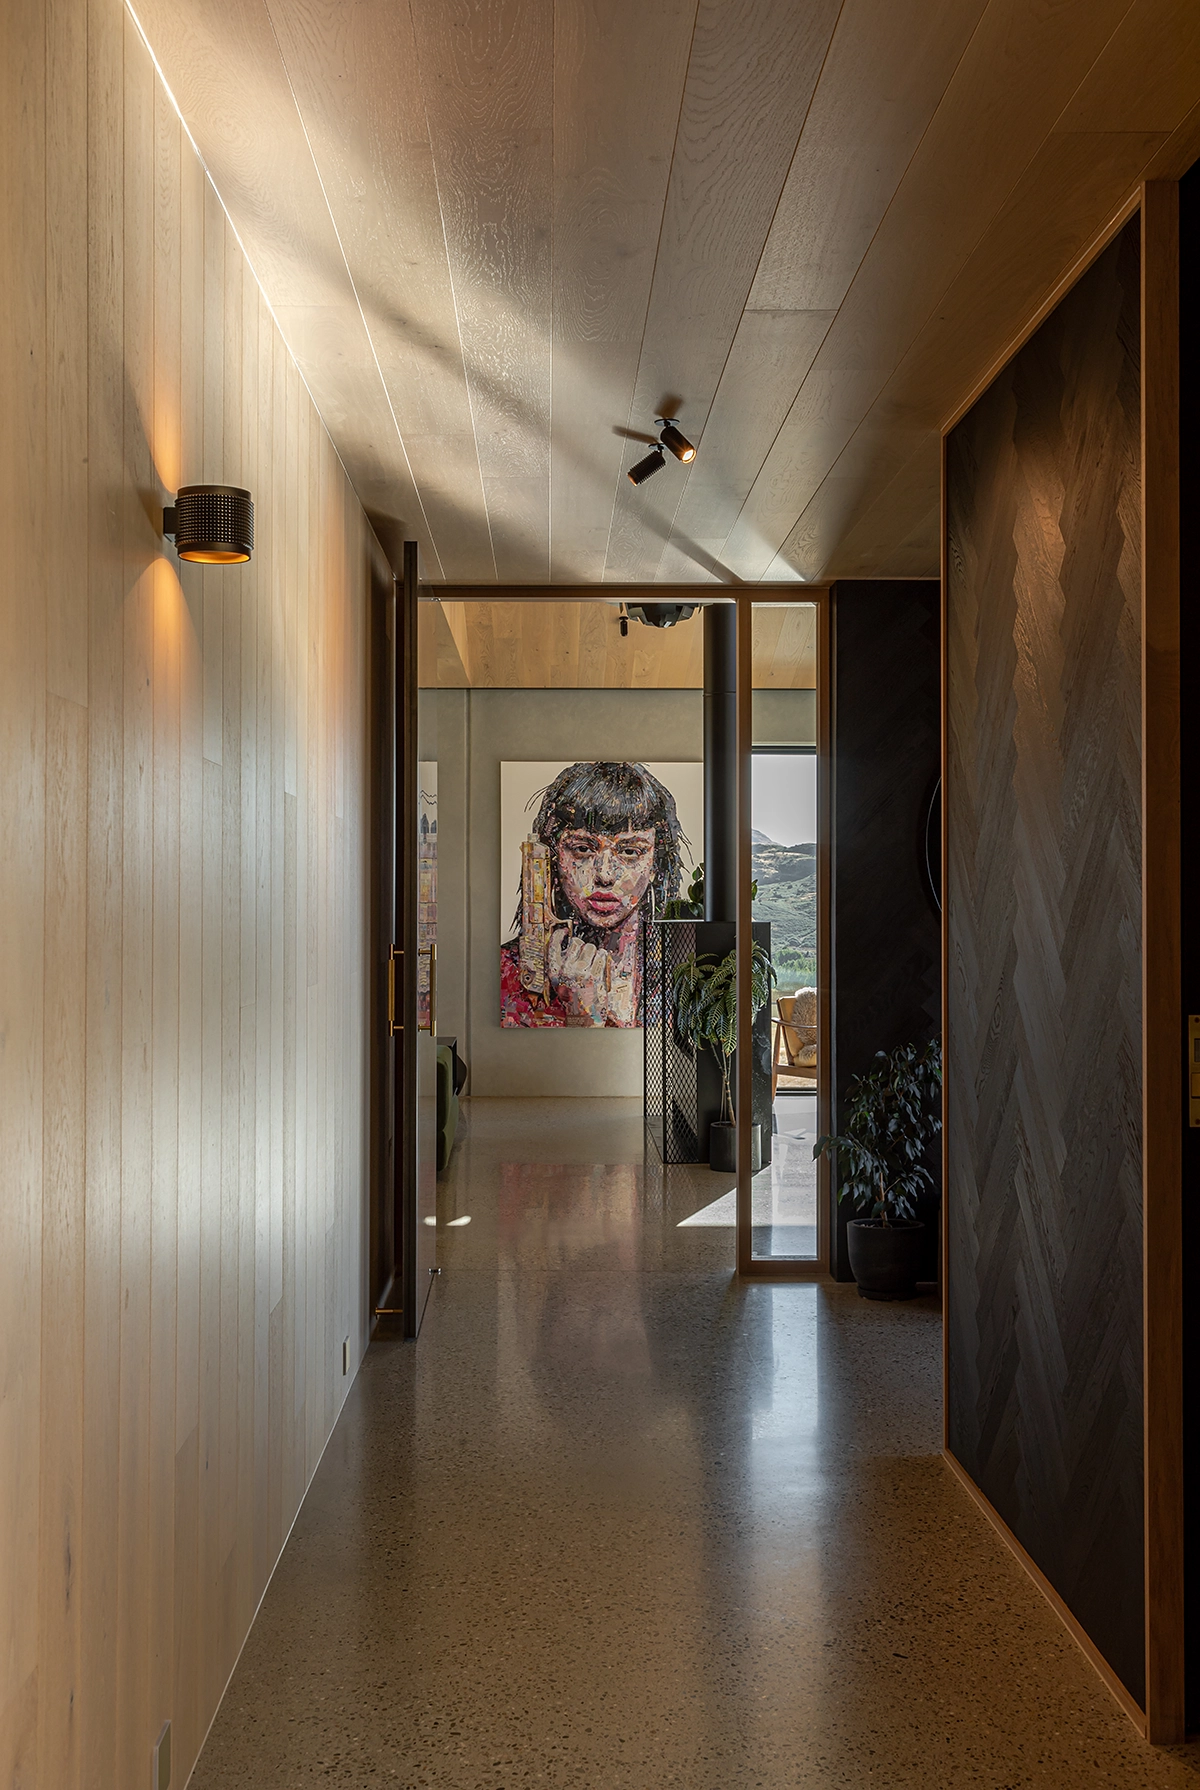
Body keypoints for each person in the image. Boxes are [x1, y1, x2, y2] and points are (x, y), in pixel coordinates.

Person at [501, 761, 687, 1027]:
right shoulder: (507, 973)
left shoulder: (682, 972)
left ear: (656, 864)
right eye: (584, 849)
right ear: (553, 858)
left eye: (630, 852)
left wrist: (593, 1017)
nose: (605, 875)